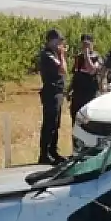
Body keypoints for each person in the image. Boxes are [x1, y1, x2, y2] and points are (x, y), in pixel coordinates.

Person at [37, 29, 67, 165]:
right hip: (51, 91)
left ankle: (53, 151)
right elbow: (62, 69)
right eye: (58, 41)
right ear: (51, 41)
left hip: (58, 91)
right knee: (49, 124)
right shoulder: (48, 54)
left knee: (56, 123)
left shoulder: (55, 54)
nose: (60, 44)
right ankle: (44, 154)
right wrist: (62, 55)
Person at [68, 33, 101, 123]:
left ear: (92, 44)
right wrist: (69, 90)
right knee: (75, 119)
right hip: (78, 94)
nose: (85, 46)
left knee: (88, 121)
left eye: (87, 44)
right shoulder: (78, 57)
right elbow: (75, 74)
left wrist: (87, 56)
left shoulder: (97, 57)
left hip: (90, 94)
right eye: (83, 44)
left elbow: (92, 70)